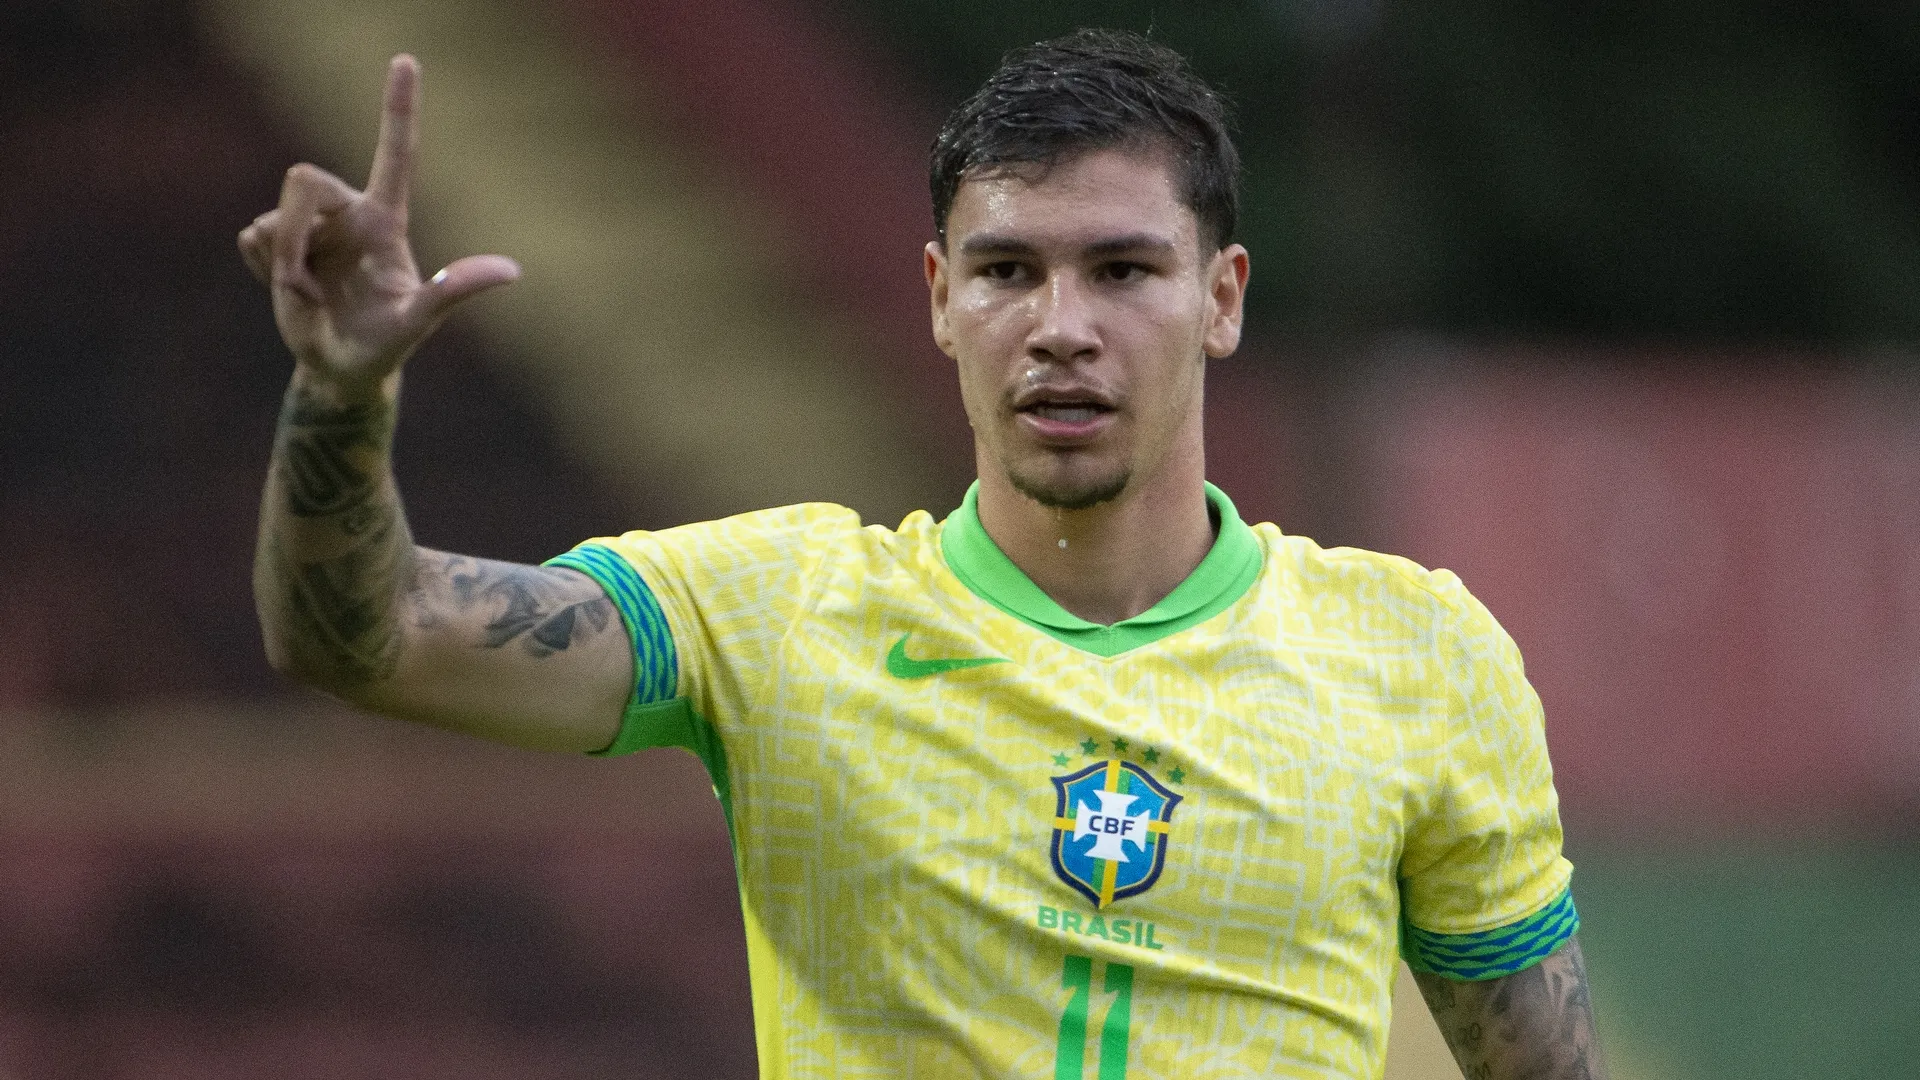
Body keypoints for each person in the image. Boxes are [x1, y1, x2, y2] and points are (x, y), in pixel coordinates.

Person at [240, 29, 1608, 1080]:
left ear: (1222, 298)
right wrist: (342, 397)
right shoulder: (774, 613)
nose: (1061, 326)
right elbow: (369, 635)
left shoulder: (1418, 655)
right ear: (943, 300)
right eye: (1008, 271)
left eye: (1123, 270)